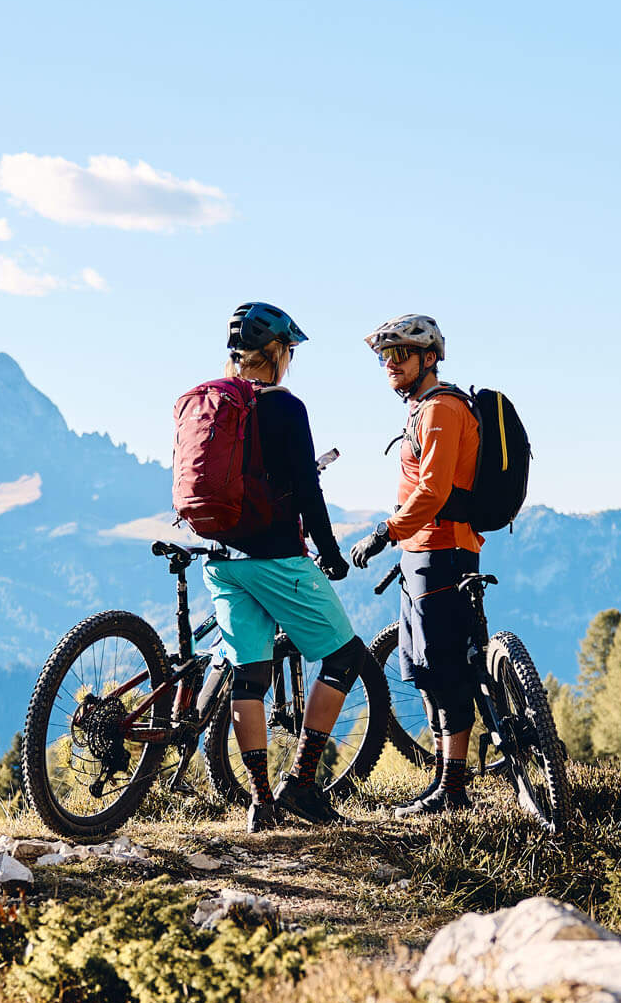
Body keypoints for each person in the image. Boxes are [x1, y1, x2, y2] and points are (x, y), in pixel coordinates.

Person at [200, 302, 370, 831]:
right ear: (276, 353)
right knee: (345, 658)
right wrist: (333, 552)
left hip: (219, 560)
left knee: (249, 674)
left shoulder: (214, 404)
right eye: (289, 350)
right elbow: (307, 489)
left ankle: (260, 802)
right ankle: (301, 783)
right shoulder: (285, 408)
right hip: (274, 557)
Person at [348, 314, 481, 816]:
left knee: (444, 670)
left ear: (428, 358)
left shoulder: (443, 409)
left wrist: (386, 532)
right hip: (421, 552)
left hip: (442, 549)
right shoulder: (422, 409)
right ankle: (445, 785)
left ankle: (453, 789)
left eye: (398, 354)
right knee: (424, 669)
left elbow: (434, 490)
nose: (389, 364)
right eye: (384, 356)